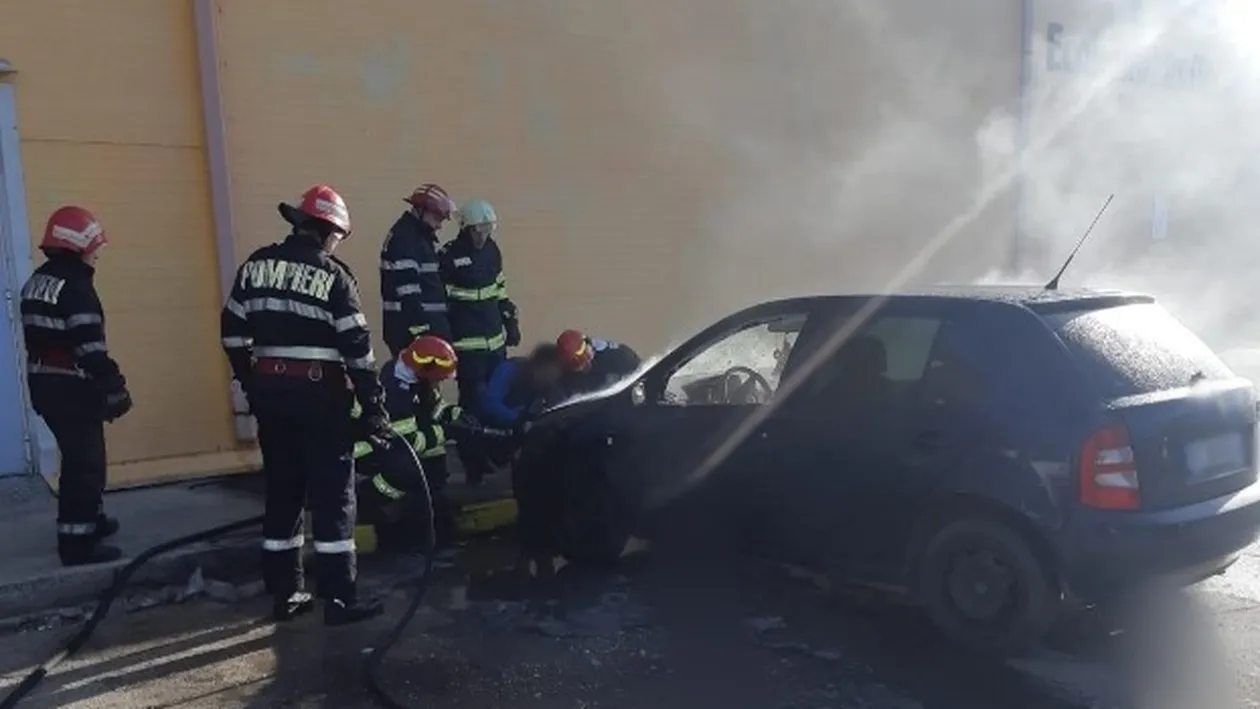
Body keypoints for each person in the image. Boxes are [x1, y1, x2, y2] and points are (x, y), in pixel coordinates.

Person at [220, 184, 390, 626]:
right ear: (328, 231)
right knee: (334, 497)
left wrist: (252, 384)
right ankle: (338, 598)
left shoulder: (254, 266)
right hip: (321, 400)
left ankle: (286, 594)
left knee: (283, 493)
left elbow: (233, 333)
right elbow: (358, 349)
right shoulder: (333, 276)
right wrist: (373, 406)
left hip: (271, 402)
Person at [21, 206, 133, 566]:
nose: (96, 253)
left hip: (45, 383)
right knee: (85, 465)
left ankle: (92, 521)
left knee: (81, 458)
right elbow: (89, 347)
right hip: (71, 387)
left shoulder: (39, 280)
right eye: (94, 246)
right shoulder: (76, 288)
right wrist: (114, 387)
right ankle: (77, 543)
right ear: (79, 245)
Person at [351, 336, 489, 553]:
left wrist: (459, 416)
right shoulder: (393, 389)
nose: (439, 383)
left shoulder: (417, 376)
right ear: (425, 372)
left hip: (391, 444)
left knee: (434, 459)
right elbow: (409, 442)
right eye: (437, 379)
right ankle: (366, 499)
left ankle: (426, 505)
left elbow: (434, 408)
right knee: (405, 469)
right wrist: (447, 431)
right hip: (366, 447)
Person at [439, 199, 521, 484]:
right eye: (478, 229)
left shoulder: (492, 250)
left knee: (497, 401)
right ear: (465, 228)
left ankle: (495, 456)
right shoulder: (449, 257)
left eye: (488, 228)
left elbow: (499, 288)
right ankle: (472, 464)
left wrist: (509, 319)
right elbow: (442, 303)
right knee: (472, 406)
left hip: (495, 345)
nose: (483, 235)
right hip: (467, 348)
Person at [380, 183, 457, 357]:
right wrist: (422, 333)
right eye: (438, 219)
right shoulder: (407, 239)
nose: (439, 226)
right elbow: (408, 291)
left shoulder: (416, 237)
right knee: (415, 382)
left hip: (421, 331)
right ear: (421, 210)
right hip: (413, 334)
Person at [478, 343, 565, 439]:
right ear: (540, 366)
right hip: (493, 431)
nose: (550, 378)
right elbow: (489, 403)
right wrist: (517, 419)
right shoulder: (509, 369)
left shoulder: (549, 385)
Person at [556, 329, 643, 398]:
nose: (585, 366)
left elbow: (642, 375)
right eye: (579, 367)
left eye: (587, 359)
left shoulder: (618, 356)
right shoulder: (563, 379)